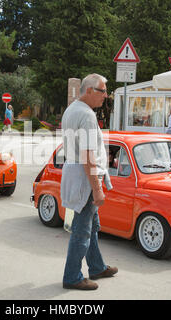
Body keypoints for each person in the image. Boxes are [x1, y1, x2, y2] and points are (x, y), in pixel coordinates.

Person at [60, 73, 117, 291]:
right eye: (103, 91)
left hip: (76, 173)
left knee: (91, 226)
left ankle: (97, 266)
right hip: (85, 177)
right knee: (83, 229)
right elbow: (87, 156)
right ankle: (72, 276)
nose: (106, 96)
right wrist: (97, 189)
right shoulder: (87, 115)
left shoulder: (72, 110)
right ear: (89, 90)